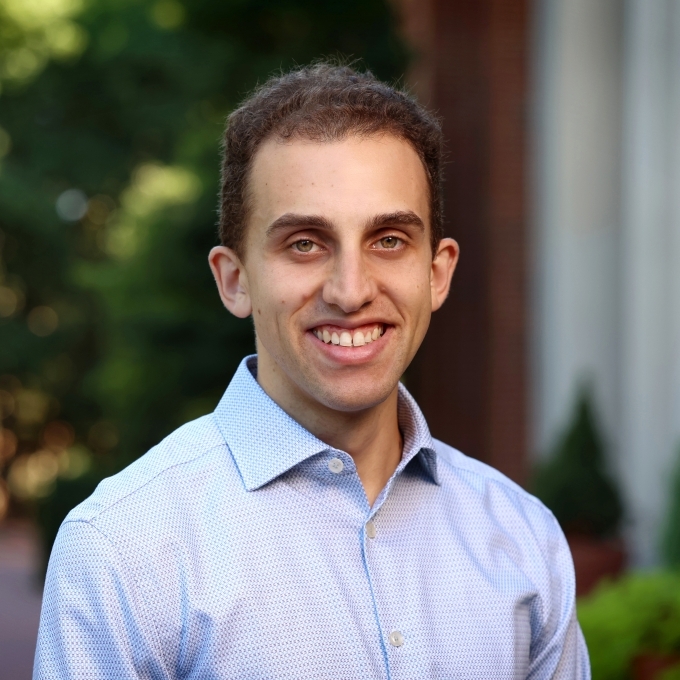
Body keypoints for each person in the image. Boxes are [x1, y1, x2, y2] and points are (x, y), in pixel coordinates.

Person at [34, 64, 589, 679]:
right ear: (234, 278)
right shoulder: (123, 550)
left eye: (388, 240)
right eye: (305, 243)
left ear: (437, 273)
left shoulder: (524, 538)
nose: (350, 292)